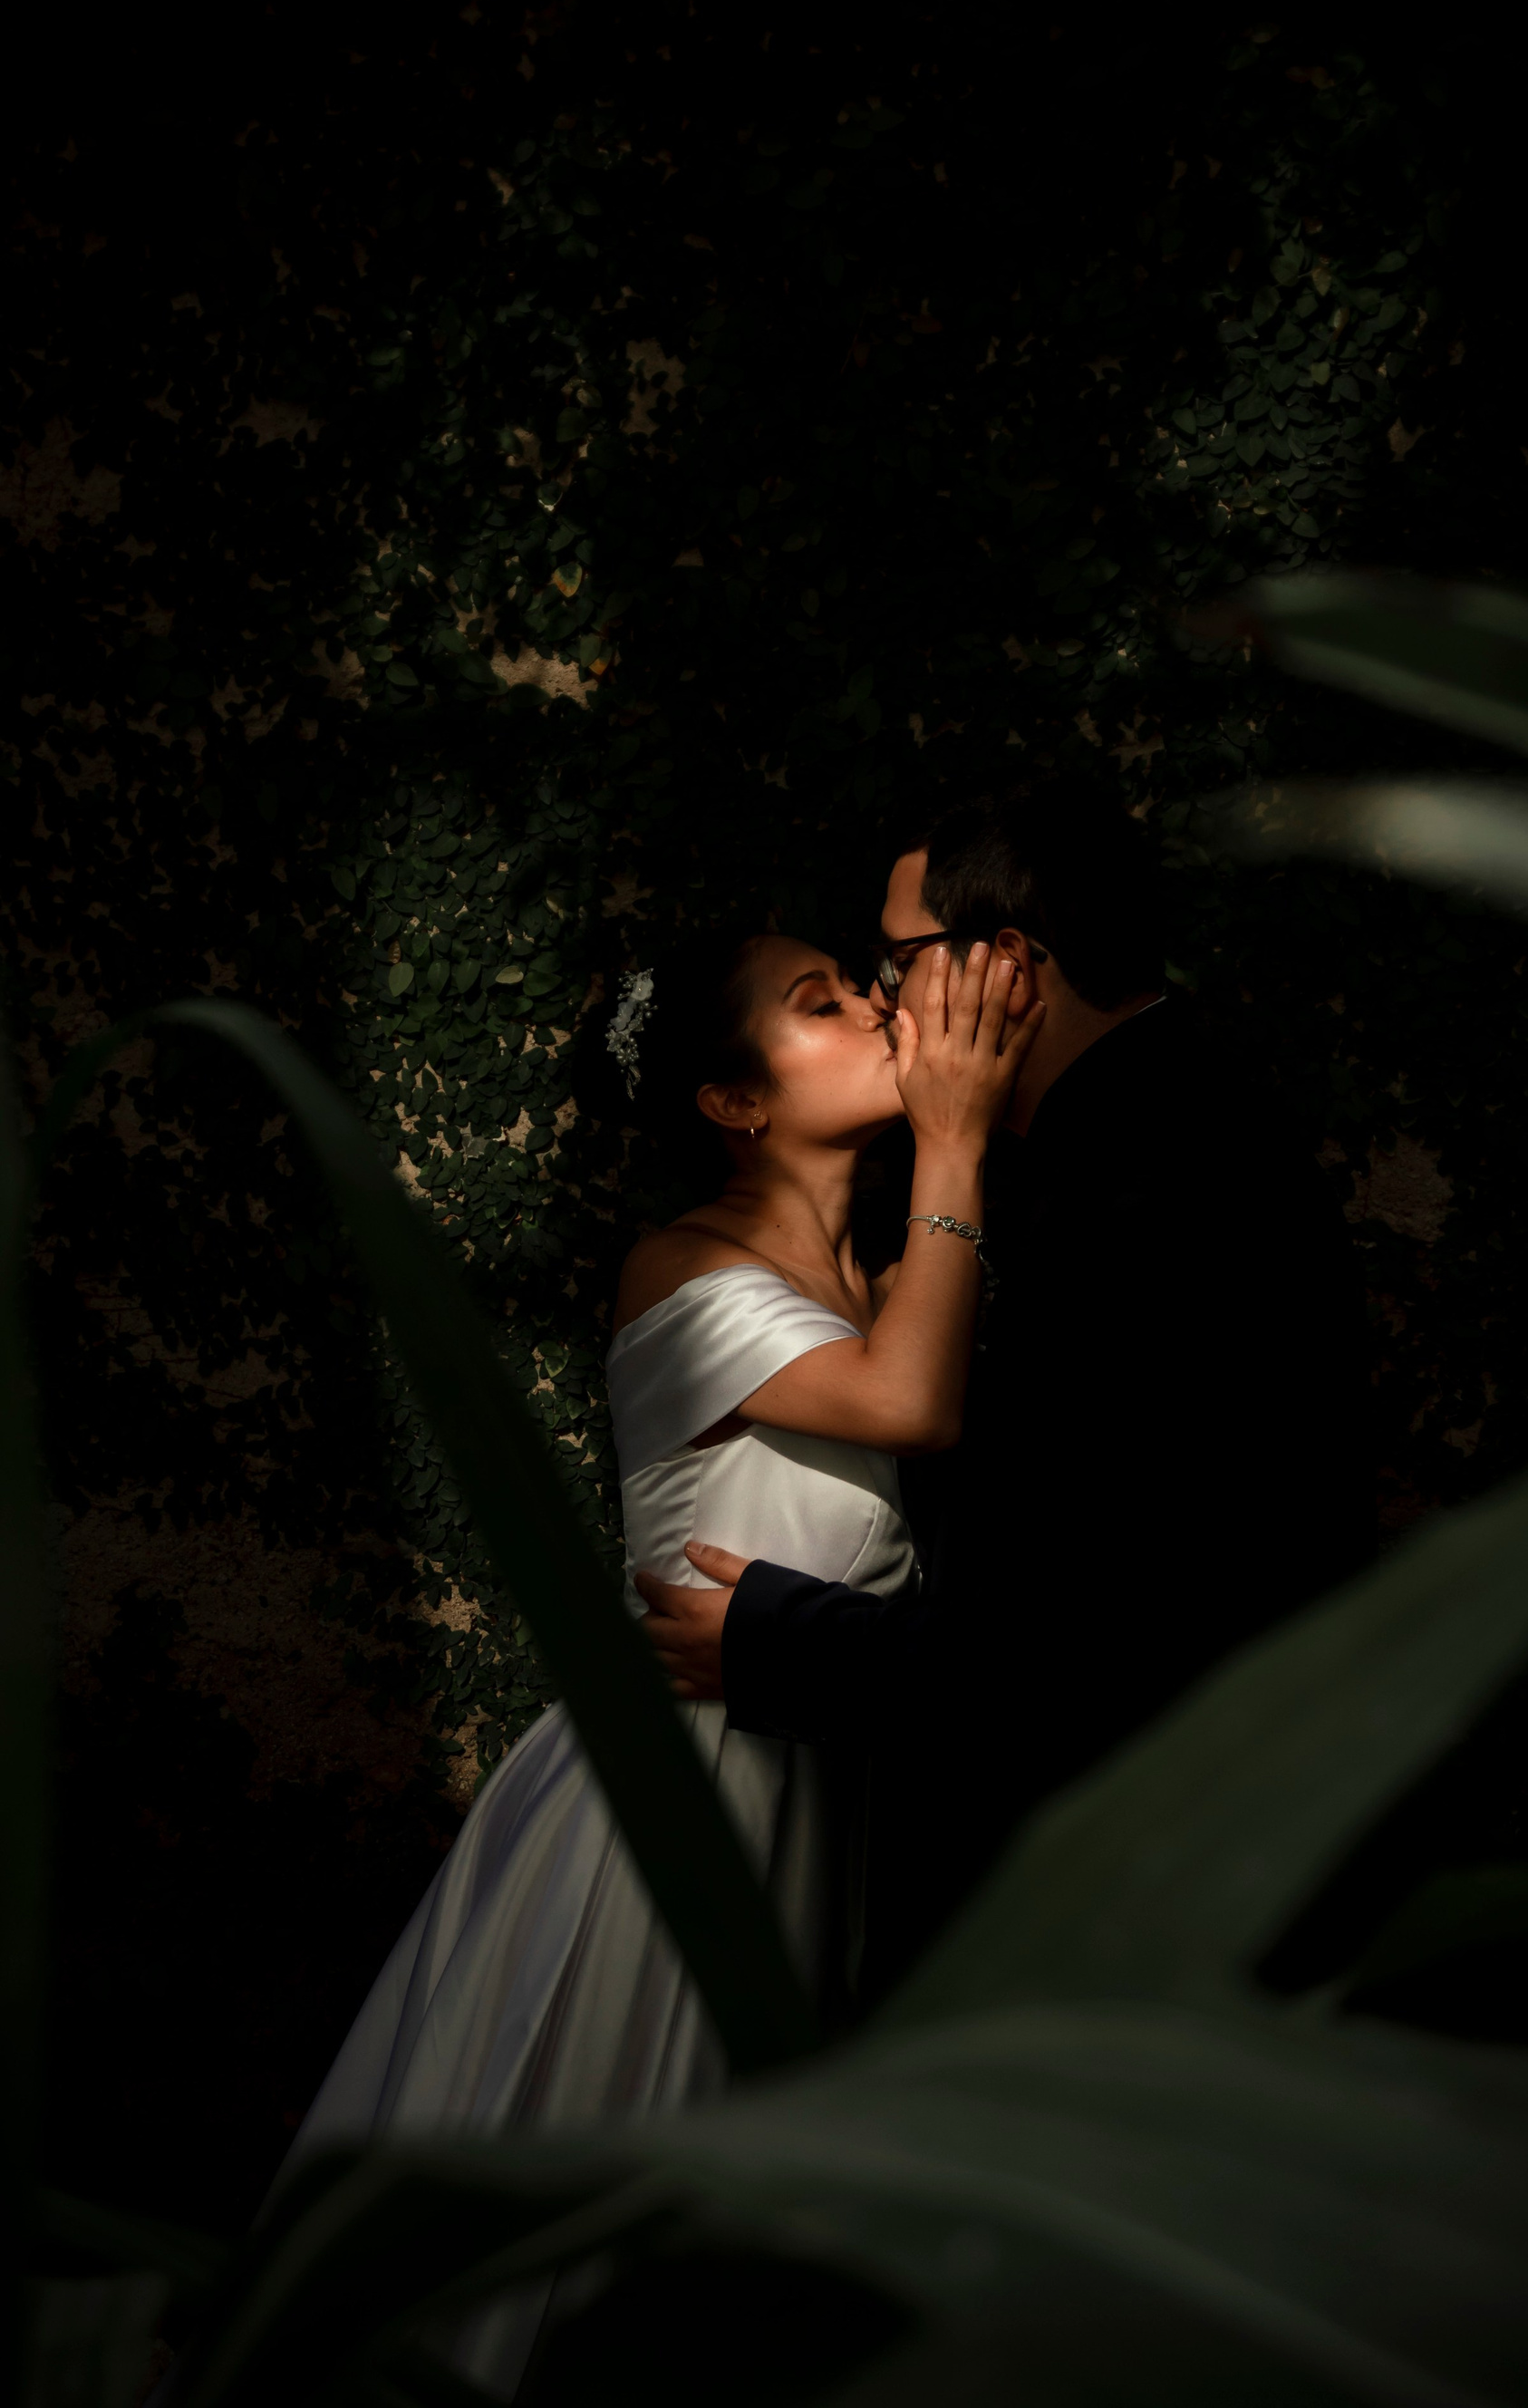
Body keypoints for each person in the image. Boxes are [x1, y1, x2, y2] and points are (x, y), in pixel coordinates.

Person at [278, 924, 1039, 2398]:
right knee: (613, 2194)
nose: (878, 1007)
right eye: (823, 1003)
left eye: (858, 983)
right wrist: (955, 1135)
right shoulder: (683, 1269)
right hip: (685, 1799)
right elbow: (913, 1407)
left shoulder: (889, 1279)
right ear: (733, 1102)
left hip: (826, 1779)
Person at [638, 783, 1374, 1992]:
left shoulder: (1170, 1190)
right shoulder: (1068, 1165)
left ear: (1008, 965)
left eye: (896, 960)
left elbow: (1112, 1634)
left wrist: (788, 1646)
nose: (884, 999)